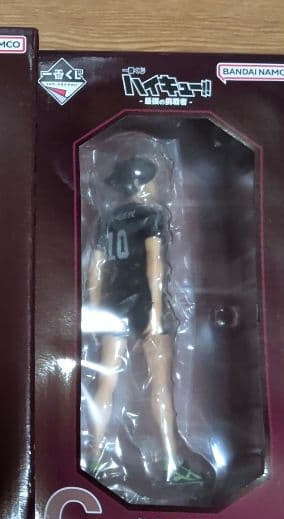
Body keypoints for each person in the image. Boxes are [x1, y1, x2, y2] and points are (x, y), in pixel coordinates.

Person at [85, 155, 211, 491]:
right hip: (144, 304)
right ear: (140, 183)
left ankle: (94, 456)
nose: (156, 186)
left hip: (113, 306)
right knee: (161, 386)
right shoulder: (151, 215)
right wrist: (155, 310)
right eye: (152, 180)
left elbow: (95, 270)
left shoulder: (107, 220)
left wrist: (95, 311)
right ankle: (172, 462)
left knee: (105, 383)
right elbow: (155, 264)